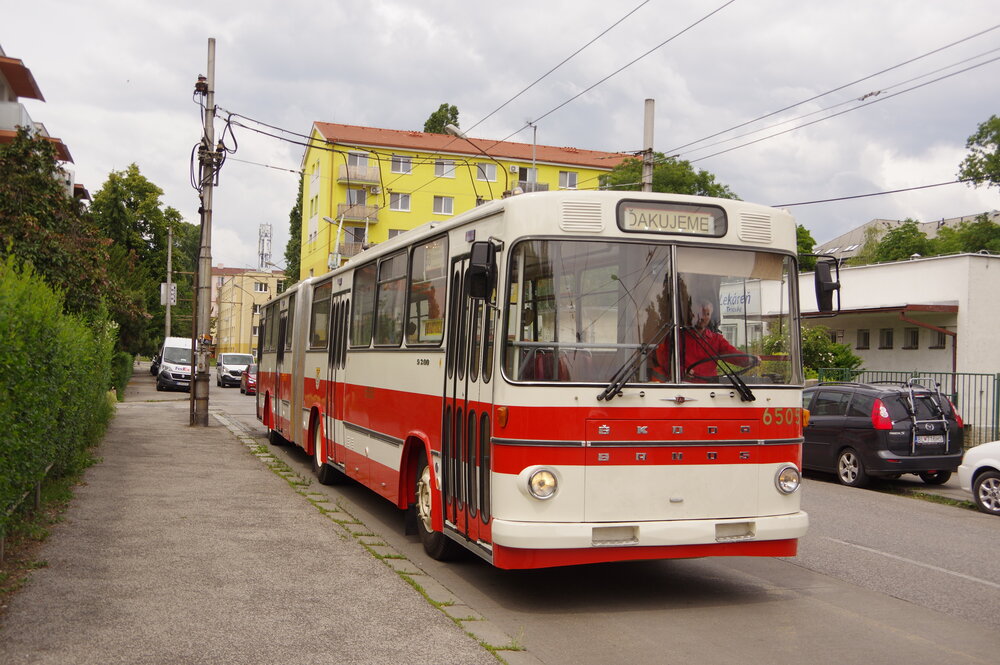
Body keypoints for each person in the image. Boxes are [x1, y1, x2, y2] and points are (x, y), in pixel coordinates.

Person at [651, 299, 755, 382]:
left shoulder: (716, 339)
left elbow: (732, 354)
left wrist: (750, 359)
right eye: (699, 314)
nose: (702, 318)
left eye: (707, 314)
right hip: (683, 387)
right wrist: (683, 371)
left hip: (710, 389)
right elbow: (667, 362)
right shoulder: (677, 336)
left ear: (710, 317)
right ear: (691, 314)